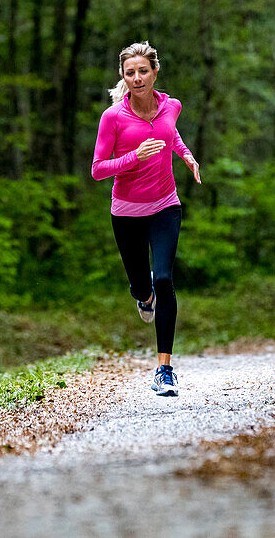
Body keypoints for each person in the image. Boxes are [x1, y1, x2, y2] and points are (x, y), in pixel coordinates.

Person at [91, 41, 201, 396]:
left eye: (142, 71)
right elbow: (97, 169)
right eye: (129, 73)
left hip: (166, 205)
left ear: (154, 72)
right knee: (143, 285)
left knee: (164, 278)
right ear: (123, 77)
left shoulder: (172, 105)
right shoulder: (113, 118)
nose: (137, 78)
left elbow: (171, 133)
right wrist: (133, 158)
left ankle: (164, 369)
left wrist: (185, 154)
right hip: (126, 213)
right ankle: (144, 296)